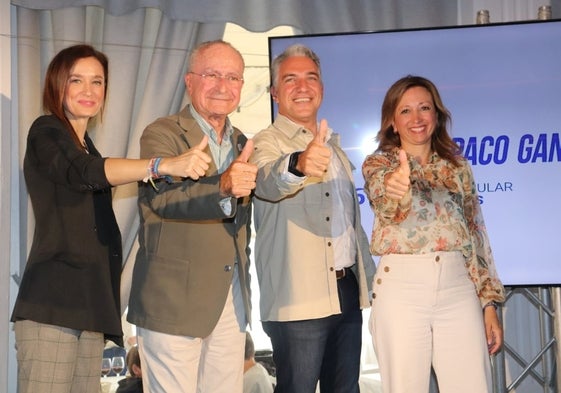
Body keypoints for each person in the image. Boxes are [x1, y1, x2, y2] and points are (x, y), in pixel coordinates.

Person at [10, 44, 212, 393]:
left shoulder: (88, 146)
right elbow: (84, 172)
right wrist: (160, 164)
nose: (89, 91)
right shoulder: (46, 131)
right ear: (57, 85)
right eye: (77, 80)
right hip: (53, 306)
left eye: (97, 82)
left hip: (88, 308)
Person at [126, 40, 257, 393]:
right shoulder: (162, 132)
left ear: (242, 87)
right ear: (189, 80)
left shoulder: (243, 141)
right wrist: (223, 187)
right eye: (211, 74)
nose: (222, 86)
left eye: (232, 77)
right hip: (172, 301)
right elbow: (164, 199)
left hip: (230, 302)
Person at [362, 75, 506, 393]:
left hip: (459, 288)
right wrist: (397, 188)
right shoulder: (379, 164)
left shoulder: (458, 167)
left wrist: (489, 304)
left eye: (424, 108)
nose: (417, 118)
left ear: (437, 115)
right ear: (392, 122)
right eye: (406, 111)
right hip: (401, 289)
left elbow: (476, 235)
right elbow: (385, 202)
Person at [250, 44, 375, 393]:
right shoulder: (266, 142)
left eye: (311, 78)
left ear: (321, 88)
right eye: (290, 79)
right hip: (298, 300)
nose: (302, 87)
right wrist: (298, 165)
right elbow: (267, 182)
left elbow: (351, 226)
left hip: (346, 288)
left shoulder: (333, 146)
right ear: (275, 93)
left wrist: (370, 281)